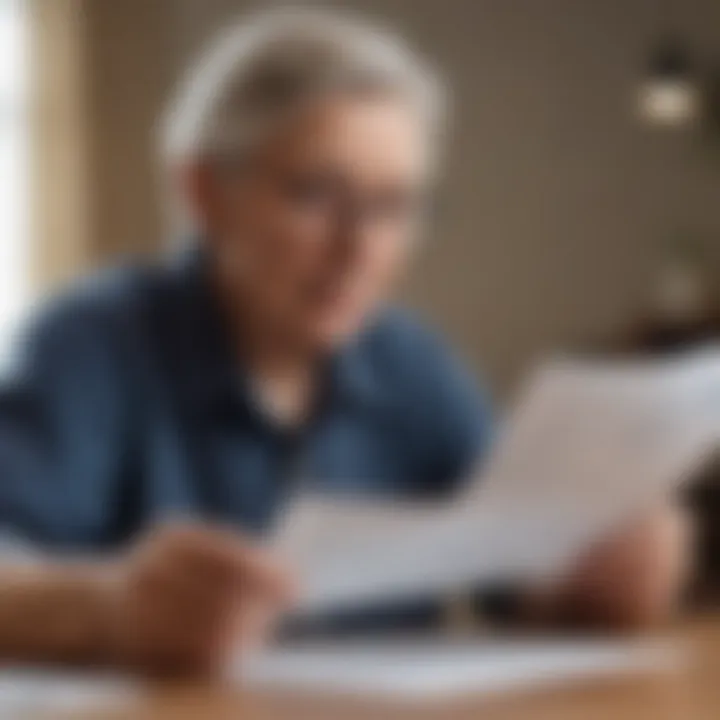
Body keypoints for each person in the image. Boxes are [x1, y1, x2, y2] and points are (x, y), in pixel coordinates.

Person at [0, 9, 689, 676]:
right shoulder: (88, 346)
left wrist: (598, 580)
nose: (360, 248)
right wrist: (110, 607)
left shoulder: (416, 367)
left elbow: (515, 580)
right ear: (203, 190)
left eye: (394, 207)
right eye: (317, 195)